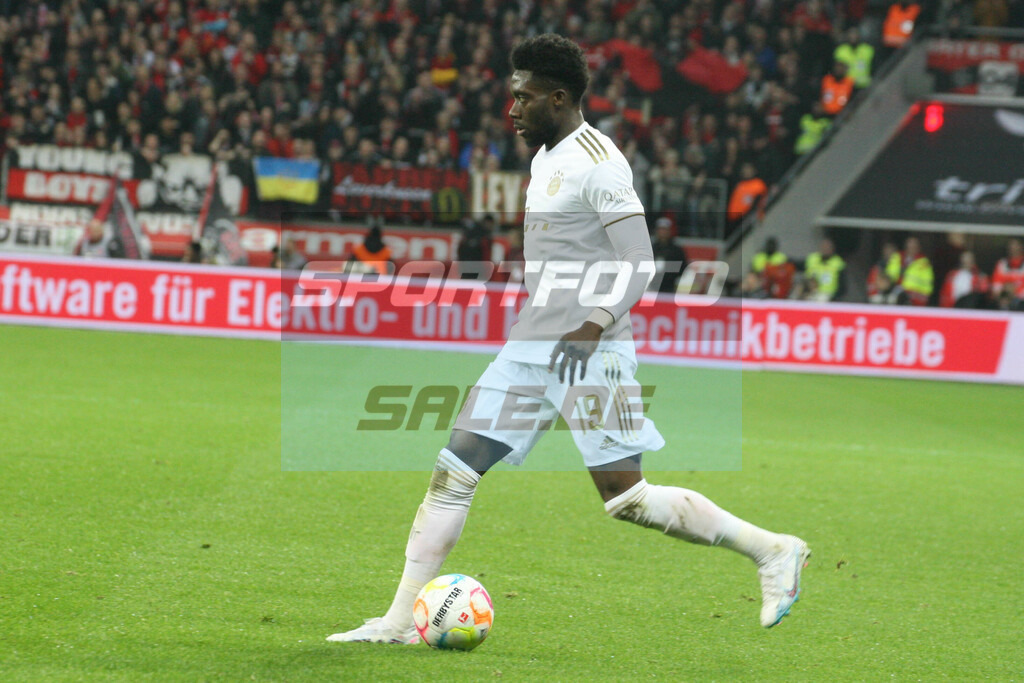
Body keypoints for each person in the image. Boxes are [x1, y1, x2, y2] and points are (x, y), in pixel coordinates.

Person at [328, 34, 810, 646]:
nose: (512, 109)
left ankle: (772, 551)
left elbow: (639, 260)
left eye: (524, 98)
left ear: (558, 98)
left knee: (626, 498)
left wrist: (594, 323)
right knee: (455, 469)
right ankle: (398, 623)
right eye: (513, 96)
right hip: (533, 345)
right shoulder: (545, 156)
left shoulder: (598, 160)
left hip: (592, 348)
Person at [651, 217, 688, 294]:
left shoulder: (676, 250)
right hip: (652, 287)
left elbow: (683, 267)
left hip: (670, 288)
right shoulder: (651, 248)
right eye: (660, 229)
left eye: (665, 229)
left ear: (669, 231)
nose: (662, 232)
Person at [802, 237, 846, 301]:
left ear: (832, 249)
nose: (825, 249)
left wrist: (834, 297)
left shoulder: (838, 263)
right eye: (823, 247)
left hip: (828, 295)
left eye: (827, 247)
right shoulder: (812, 258)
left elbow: (843, 286)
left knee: (821, 299)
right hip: (810, 292)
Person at [991, 237, 1024, 309]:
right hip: (1003, 301)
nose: (1013, 249)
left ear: (1021, 247)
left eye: (1015, 246)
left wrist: (1015, 292)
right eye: (1011, 246)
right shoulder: (1002, 264)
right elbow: (996, 286)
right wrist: (1003, 294)